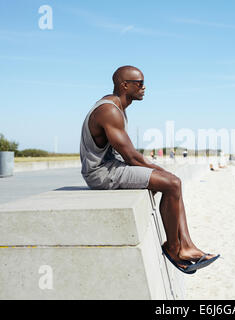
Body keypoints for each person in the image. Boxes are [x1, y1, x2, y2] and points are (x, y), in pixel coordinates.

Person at [79, 66, 219, 273]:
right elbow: (132, 157)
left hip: (111, 166)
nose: (144, 88)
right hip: (100, 173)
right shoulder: (109, 110)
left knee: (173, 182)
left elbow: (129, 155)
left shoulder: (117, 106)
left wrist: (160, 171)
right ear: (124, 85)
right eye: (140, 83)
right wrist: (162, 172)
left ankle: (187, 246)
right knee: (172, 183)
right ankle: (173, 248)